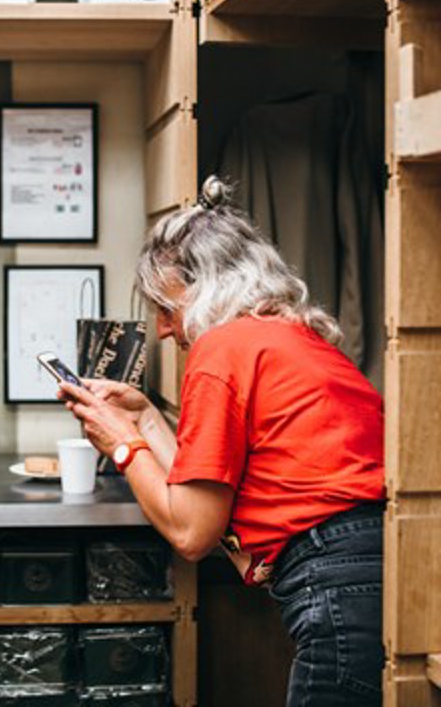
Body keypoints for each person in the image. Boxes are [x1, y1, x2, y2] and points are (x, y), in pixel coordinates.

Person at [59, 176, 385, 707]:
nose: (164, 330)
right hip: (371, 570)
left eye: (166, 308)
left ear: (205, 288)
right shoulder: (287, 338)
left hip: (334, 583)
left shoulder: (222, 349)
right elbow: (200, 499)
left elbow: (191, 532)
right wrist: (141, 420)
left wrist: (119, 443)